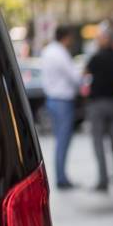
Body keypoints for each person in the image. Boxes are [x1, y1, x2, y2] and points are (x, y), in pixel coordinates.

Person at [84, 30, 113, 192]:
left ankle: (103, 180)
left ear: (102, 41)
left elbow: (85, 72)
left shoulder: (96, 57)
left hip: (97, 104)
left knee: (99, 143)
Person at [41, 25, 81, 189]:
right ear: (66, 37)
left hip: (52, 99)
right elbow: (74, 77)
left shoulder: (48, 51)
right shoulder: (60, 53)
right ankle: (61, 178)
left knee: (60, 140)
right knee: (63, 141)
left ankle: (61, 176)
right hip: (62, 100)